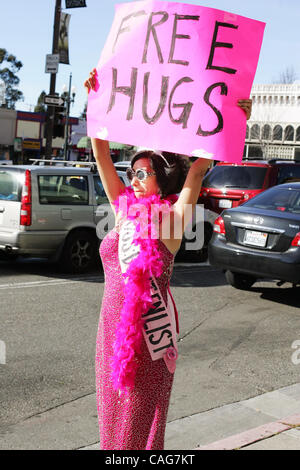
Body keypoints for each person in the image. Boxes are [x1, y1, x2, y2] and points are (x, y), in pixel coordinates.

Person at [84, 69, 252, 450]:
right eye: (133, 172)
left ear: (162, 179)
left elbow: (199, 168)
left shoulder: (173, 222)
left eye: (144, 173)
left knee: (140, 420)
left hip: (148, 333)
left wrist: (235, 116)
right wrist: (96, 98)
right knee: (111, 413)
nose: (135, 178)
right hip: (110, 329)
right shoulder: (124, 210)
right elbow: (100, 152)